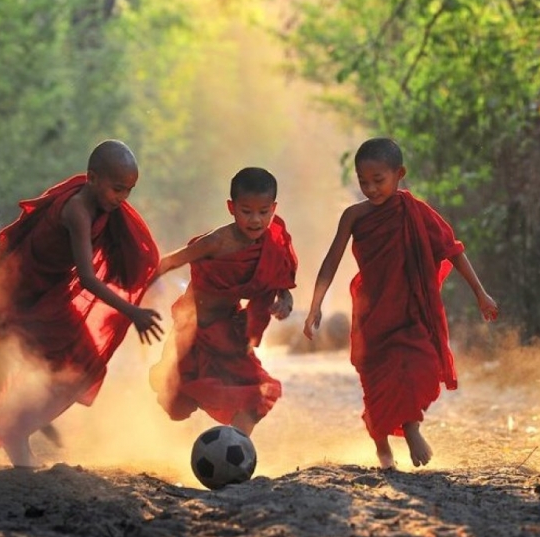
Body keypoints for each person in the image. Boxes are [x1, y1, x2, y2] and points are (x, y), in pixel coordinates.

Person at [0, 139, 164, 468]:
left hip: (52, 291)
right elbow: (89, 279)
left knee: (81, 360)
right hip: (24, 292)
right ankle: (18, 435)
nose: (122, 199)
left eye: (129, 191)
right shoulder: (77, 210)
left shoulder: (99, 203)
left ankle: (29, 413)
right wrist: (131, 311)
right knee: (0, 367)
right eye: (117, 189)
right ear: (92, 178)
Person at [303, 137, 498, 469]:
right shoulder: (354, 216)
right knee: (376, 379)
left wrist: (480, 293)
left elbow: (453, 250)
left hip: (410, 309)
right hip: (371, 311)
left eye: (378, 181)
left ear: (399, 174)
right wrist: (315, 304)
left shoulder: (415, 212)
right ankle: (382, 450)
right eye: (363, 182)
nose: (371, 189)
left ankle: (411, 427)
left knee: (418, 367)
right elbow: (331, 260)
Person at [148, 167, 297, 436]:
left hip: (230, 332)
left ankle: (239, 449)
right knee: (176, 407)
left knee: (255, 392)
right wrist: (132, 293)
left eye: (264, 212)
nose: (255, 220)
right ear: (231, 207)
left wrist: (285, 301)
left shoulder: (272, 243)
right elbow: (170, 262)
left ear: (274, 208)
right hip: (192, 332)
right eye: (246, 211)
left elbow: (280, 282)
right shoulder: (217, 241)